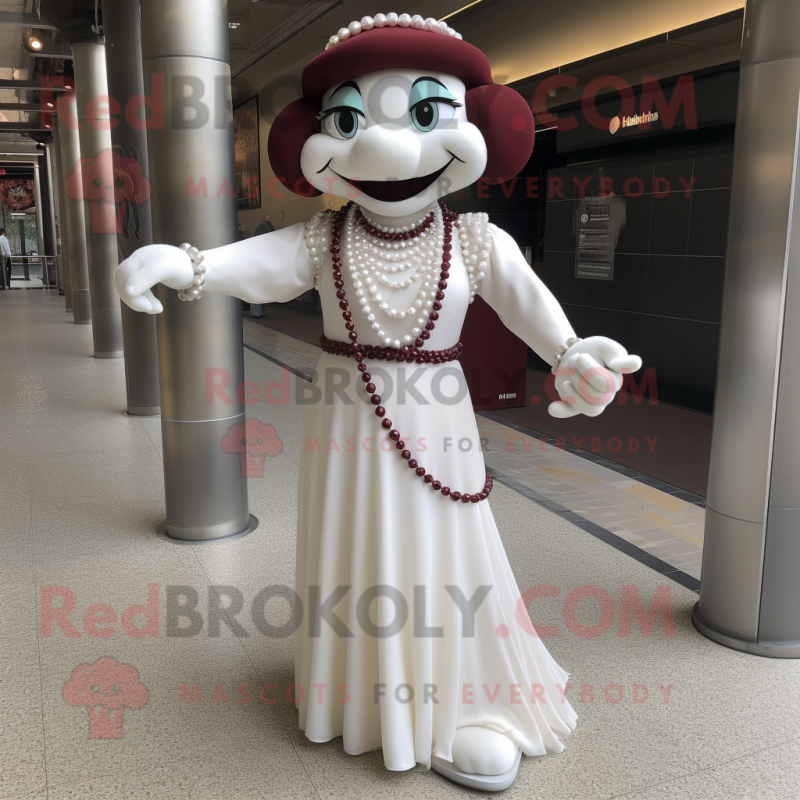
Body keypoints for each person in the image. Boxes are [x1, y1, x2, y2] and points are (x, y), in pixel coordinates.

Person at [116, 15, 642, 792]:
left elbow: (537, 313)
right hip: (347, 416)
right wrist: (184, 263)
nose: (385, 148)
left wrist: (573, 356)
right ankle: (363, 694)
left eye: (427, 113)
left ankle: (461, 701)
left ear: (482, 126)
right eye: (348, 120)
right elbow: (248, 264)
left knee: (442, 552)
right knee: (358, 547)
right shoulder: (321, 241)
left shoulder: (476, 242)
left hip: (439, 425)